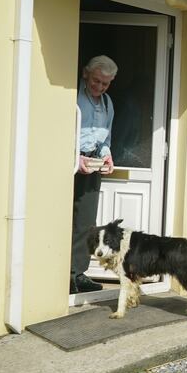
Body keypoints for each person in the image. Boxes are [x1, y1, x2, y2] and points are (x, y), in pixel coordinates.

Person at [70, 55, 118, 294]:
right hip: (69, 162)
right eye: (96, 81)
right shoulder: (72, 95)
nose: (99, 87)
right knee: (60, 219)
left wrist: (106, 156)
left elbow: (105, 137)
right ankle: (60, 274)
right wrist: (74, 158)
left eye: (105, 84)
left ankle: (77, 274)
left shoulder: (107, 102)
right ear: (85, 74)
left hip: (91, 165)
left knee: (85, 223)